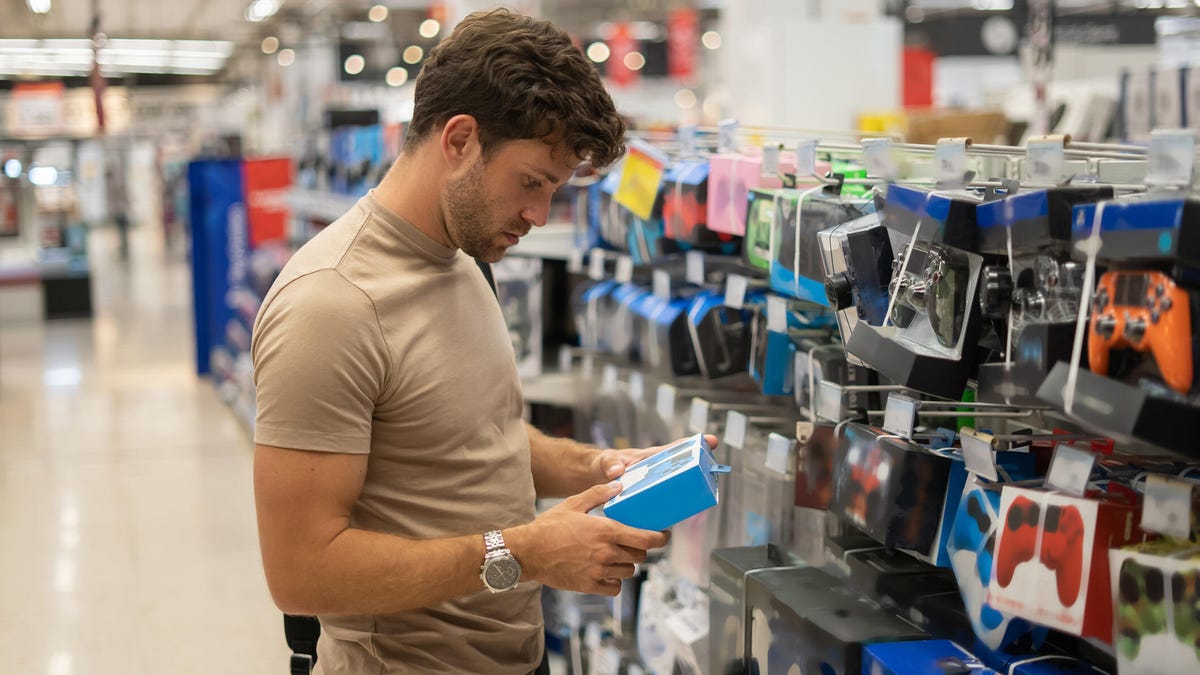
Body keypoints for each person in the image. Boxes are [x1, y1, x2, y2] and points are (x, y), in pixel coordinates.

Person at [251, 9, 715, 674]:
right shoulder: (333, 303)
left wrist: (600, 469)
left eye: (553, 191)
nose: (538, 215)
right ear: (460, 140)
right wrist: (526, 551)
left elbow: (473, 434)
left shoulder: (464, 258)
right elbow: (301, 570)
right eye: (530, 182)